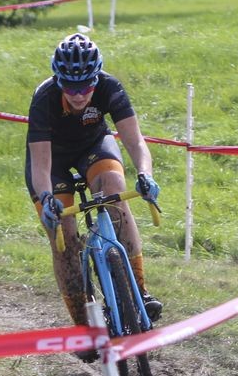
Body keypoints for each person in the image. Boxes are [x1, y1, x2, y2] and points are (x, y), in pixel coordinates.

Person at [25, 32, 162, 349]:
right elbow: (41, 165)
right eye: (70, 87)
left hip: (92, 146)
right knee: (63, 236)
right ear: (58, 79)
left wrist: (145, 173)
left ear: (96, 76)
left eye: (86, 85)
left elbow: (135, 141)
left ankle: (138, 290)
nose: (78, 94)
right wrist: (47, 199)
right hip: (53, 160)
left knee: (115, 189)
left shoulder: (109, 87)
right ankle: (83, 326)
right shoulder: (43, 98)